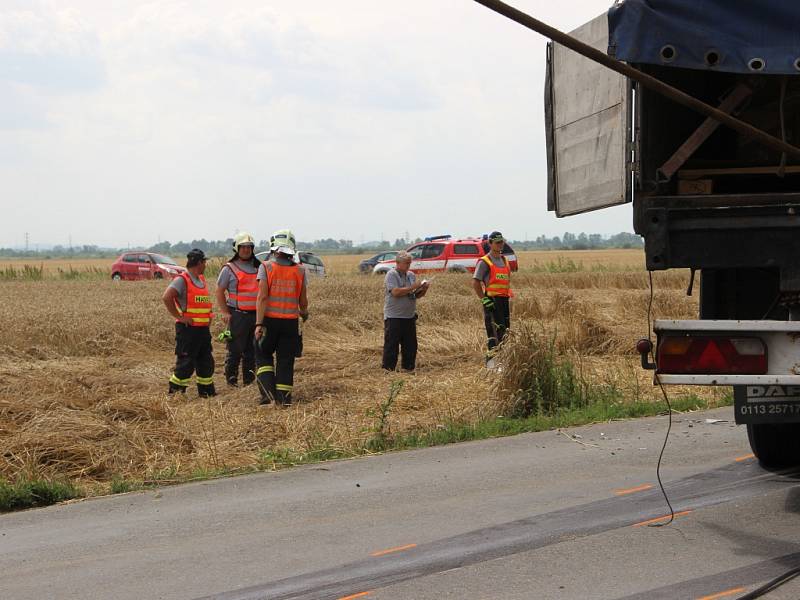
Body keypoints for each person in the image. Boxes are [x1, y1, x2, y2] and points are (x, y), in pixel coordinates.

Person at [254, 229, 309, 406]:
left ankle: (268, 396)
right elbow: (303, 301)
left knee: (263, 355)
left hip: (269, 321)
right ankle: (284, 400)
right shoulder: (300, 270)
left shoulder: (266, 267)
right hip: (290, 323)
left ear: (274, 247)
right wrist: (304, 313)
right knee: (285, 360)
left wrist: (259, 324)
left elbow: (262, 297)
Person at [161, 248, 216, 397]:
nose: (205, 265)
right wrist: (180, 316)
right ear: (199, 262)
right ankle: (175, 395)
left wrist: (208, 316)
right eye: (204, 262)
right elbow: (167, 297)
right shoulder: (182, 280)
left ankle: (207, 394)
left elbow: (203, 304)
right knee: (186, 364)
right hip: (188, 330)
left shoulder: (201, 279)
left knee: (206, 363)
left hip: (203, 331)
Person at [215, 232, 261, 387]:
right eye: (243, 247)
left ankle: (249, 381)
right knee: (235, 350)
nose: (246, 250)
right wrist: (225, 312)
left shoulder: (258, 267)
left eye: (249, 247)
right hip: (237, 315)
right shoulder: (229, 268)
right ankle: (231, 380)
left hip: (255, 316)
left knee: (252, 351)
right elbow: (219, 291)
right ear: (237, 248)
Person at [382, 251, 429, 372]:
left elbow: (415, 295)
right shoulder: (391, 275)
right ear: (398, 263)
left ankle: (408, 369)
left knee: (410, 345)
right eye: (406, 263)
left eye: (410, 263)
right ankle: (388, 369)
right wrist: (413, 287)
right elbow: (396, 292)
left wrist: (423, 289)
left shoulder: (411, 275)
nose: (409, 265)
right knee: (392, 345)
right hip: (394, 316)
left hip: (409, 316)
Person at [472, 231, 512, 363]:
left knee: (505, 332)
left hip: (504, 300)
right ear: (490, 243)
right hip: (492, 301)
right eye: (497, 242)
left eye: (502, 242)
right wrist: (483, 298)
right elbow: (475, 282)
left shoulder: (504, 260)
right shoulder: (484, 261)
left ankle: (502, 362)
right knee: (494, 334)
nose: (500, 245)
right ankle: (491, 364)